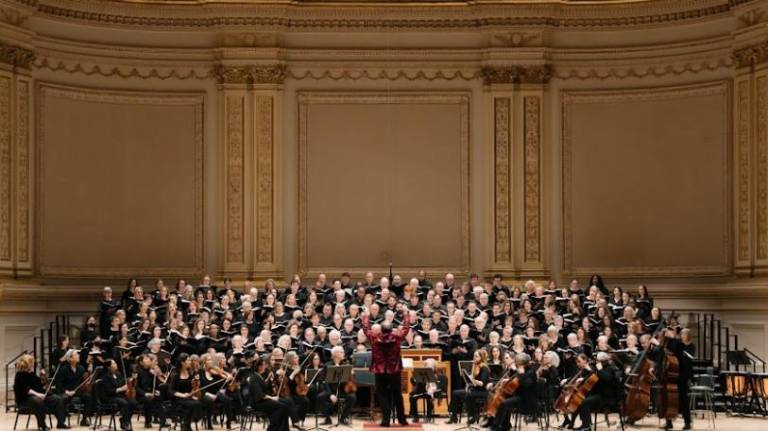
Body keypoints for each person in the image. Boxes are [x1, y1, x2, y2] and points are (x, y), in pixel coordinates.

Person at [361, 296, 411, 427]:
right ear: (391, 329)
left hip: (379, 371)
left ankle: (385, 420)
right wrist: (406, 314)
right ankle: (402, 419)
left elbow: (366, 329)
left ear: (381, 329)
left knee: (382, 395)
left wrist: (366, 316)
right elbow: (406, 328)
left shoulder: (374, 338)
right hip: (394, 371)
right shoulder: (397, 337)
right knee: (397, 394)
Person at [13, 353, 68, 430]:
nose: (33, 364)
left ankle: (61, 423)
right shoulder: (19, 375)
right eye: (31, 362)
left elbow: (38, 385)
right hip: (24, 399)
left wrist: (43, 377)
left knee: (57, 399)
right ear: (27, 363)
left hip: (35, 396)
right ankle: (42, 425)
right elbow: (25, 390)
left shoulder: (31, 374)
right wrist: (39, 395)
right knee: (38, 401)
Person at [490, 352, 537, 431]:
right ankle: (505, 424)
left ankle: (496, 425)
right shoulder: (521, 369)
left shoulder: (531, 372)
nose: (515, 363)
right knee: (501, 399)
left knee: (504, 403)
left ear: (522, 363)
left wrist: (521, 374)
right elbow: (514, 381)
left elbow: (526, 385)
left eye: (517, 362)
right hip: (518, 395)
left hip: (526, 398)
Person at [447, 349, 490, 425]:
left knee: (467, 395)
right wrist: (468, 379)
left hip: (482, 392)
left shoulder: (484, 368)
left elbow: (482, 383)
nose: (474, 357)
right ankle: (454, 416)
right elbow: (473, 382)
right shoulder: (475, 366)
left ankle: (472, 416)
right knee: (455, 393)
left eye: (476, 356)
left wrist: (472, 379)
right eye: (474, 356)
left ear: (481, 357)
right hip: (475, 390)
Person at [54, 349, 94, 427]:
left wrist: (90, 373)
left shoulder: (81, 368)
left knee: (88, 397)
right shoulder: (63, 369)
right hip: (66, 392)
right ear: (70, 359)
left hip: (77, 392)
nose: (78, 356)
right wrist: (66, 391)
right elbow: (59, 385)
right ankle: (61, 422)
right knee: (62, 399)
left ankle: (84, 419)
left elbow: (83, 383)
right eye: (76, 355)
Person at [250, 355, 291, 431]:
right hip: (258, 403)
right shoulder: (254, 378)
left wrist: (269, 379)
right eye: (264, 365)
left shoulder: (259, 376)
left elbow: (264, 387)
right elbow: (260, 395)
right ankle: (273, 429)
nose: (265, 366)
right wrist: (273, 398)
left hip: (263, 401)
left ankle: (284, 429)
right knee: (280, 407)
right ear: (260, 367)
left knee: (285, 405)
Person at [317, 346, 356, 425]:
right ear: (335, 354)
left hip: (342, 390)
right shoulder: (327, 365)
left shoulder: (345, 365)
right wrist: (330, 394)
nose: (343, 353)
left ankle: (343, 417)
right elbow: (324, 382)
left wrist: (351, 374)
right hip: (330, 390)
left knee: (352, 397)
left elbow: (350, 381)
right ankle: (327, 418)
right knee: (320, 397)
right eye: (341, 352)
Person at [98, 359, 138, 431]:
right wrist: (121, 389)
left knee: (133, 402)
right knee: (124, 403)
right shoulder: (104, 377)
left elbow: (123, 383)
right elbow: (109, 391)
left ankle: (123, 420)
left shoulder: (118, 374)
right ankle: (125, 422)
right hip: (109, 397)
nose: (116, 364)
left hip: (119, 396)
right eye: (114, 363)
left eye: (115, 363)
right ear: (108, 367)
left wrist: (131, 381)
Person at [169, 353, 203, 431]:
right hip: (178, 399)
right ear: (182, 362)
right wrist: (183, 395)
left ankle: (187, 423)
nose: (189, 362)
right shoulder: (175, 374)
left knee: (198, 403)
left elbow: (191, 388)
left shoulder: (190, 373)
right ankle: (185, 423)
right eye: (188, 360)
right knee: (193, 404)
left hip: (188, 398)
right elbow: (170, 390)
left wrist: (195, 386)